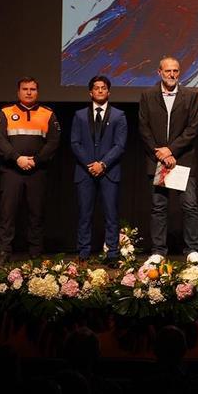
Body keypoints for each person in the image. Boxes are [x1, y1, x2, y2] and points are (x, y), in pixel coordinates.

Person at [138, 56, 198, 265]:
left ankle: (192, 250)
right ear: (159, 72)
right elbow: (144, 128)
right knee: (159, 207)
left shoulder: (191, 96)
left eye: (175, 71)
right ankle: (158, 251)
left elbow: (193, 128)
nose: (172, 74)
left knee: (190, 206)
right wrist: (161, 154)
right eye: (168, 71)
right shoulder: (148, 96)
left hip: (182, 159)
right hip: (157, 159)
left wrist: (171, 150)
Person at [0, 77, 61, 261]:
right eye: (25, 89)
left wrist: (36, 160)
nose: (29, 92)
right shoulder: (6, 112)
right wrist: (17, 159)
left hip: (37, 171)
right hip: (11, 171)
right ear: (18, 92)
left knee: (36, 213)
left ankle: (35, 253)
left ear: (37, 92)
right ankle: (4, 252)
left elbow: (53, 142)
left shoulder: (48, 114)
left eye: (32, 89)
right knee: (7, 213)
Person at [70, 75, 128, 263]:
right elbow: (75, 143)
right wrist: (91, 164)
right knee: (84, 214)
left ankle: (112, 253)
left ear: (109, 91)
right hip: (85, 172)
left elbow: (120, 145)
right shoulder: (79, 115)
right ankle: (84, 252)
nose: (100, 90)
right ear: (90, 92)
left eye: (104, 88)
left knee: (111, 215)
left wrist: (102, 164)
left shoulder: (119, 115)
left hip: (109, 172)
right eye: (96, 88)